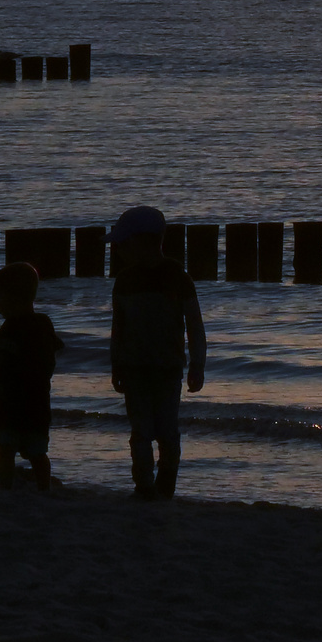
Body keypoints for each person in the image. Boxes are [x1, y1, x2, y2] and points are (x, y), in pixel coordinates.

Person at [107, 206, 206, 501]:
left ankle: (165, 484)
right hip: (136, 368)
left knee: (165, 430)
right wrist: (117, 365)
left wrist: (198, 365)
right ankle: (144, 485)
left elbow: (194, 325)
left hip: (167, 368)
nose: (118, 250)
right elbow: (119, 329)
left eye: (123, 243)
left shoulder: (177, 276)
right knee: (142, 431)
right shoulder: (124, 281)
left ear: (140, 242)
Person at [0, 261, 64, 491]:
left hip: (18, 402)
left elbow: (9, 358)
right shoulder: (33, 325)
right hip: (29, 403)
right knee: (26, 450)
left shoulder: (20, 327)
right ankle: (34, 487)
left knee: (17, 449)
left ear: (13, 297)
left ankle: (18, 485)